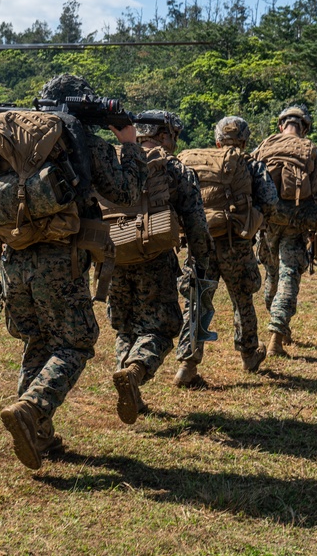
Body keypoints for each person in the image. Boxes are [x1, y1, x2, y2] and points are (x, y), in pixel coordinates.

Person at [0, 74, 148, 469]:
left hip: (11, 257)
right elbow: (127, 193)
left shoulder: (9, 136)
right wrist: (130, 145)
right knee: (75, 343)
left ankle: (39, 437)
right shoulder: (77, 138)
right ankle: (32, 408)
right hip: (59, 258)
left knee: (39, 340)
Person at [106, 110, 213, 424]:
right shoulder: (173, 168)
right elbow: (196, 224)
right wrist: (200, 263)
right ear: (166, 135)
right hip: (155, 258)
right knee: (162, 326)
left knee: (125, 325)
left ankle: (128, 384)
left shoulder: (114, 161)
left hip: (113, 256)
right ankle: (136, 372)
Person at [173, 116, 279, 384]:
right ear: (244, 141)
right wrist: (250, 221)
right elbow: (270, 202)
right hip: (236, 243)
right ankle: (248, 355)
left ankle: (188, 363)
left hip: (201, 243)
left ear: (217, 140)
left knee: (197, 301)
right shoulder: (251, 164)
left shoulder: (194, 160)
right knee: (242, 299)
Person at [252, 106, 317, 356]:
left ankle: (276, 320)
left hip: (267, 222)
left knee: (272, 274)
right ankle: (277, 334)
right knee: (289, 274)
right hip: (297, 223)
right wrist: (316, 218)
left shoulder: (263, 148)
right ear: (305, 127)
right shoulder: (313, 151)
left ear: (281, 126)